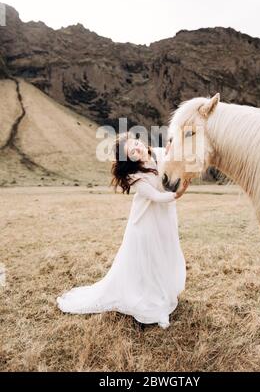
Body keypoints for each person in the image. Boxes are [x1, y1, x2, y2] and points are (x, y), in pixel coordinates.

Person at [57, 132, 190, 329]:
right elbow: (155, 196)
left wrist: (174, 144)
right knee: (149, 263)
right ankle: (152, 305)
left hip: (164, 220)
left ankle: (163, 293)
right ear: (129, 160)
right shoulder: (134, 176)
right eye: (132, 151)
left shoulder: (158, 154)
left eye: (136, 143)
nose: (137, 149)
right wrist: (177, 195)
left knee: (165, 255)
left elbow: (170, 159)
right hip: (145, 224)